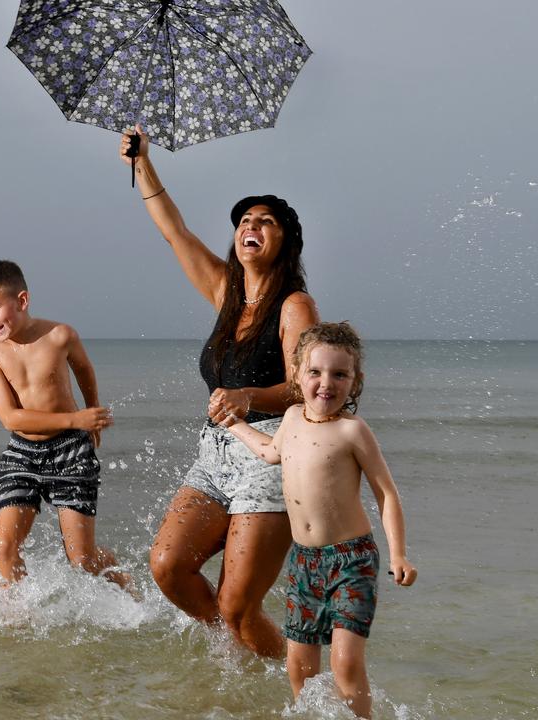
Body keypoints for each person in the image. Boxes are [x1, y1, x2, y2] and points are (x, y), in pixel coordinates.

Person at [119, 125, 319, 657]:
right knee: (167, 565)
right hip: (215, 454)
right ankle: (238, 656)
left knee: (238, 605)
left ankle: (293, 686)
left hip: (271, 454)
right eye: (244, 221)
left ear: (284, 241)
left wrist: (250, 397)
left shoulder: (294, 306)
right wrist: (142, 163)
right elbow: (174, 231)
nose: (250, 226)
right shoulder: (225, 293)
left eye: (265, 222)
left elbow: (307, 389)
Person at [221, 322, 417, 718]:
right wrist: (236, 426)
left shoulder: (352, 431)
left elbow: (386, 493)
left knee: (344, 663)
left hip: (352, 561)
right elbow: (270, 453)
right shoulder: (291, 417)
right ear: (297, 374)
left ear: (355, 382)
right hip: (305, 563)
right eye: (315, 372)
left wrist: (399, 555)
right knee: (300, 666)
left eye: (339, 374)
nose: (326, 383)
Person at [0, 259, 129, 589]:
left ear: (22, 301)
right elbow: (9, 418)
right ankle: (16, 621)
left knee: (81, 560)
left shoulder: (60, 335)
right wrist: (78, 417)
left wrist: (93, 410)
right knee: (5, 547)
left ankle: (119, 576)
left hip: (71, 450)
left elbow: (84, 370)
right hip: (22, 452)